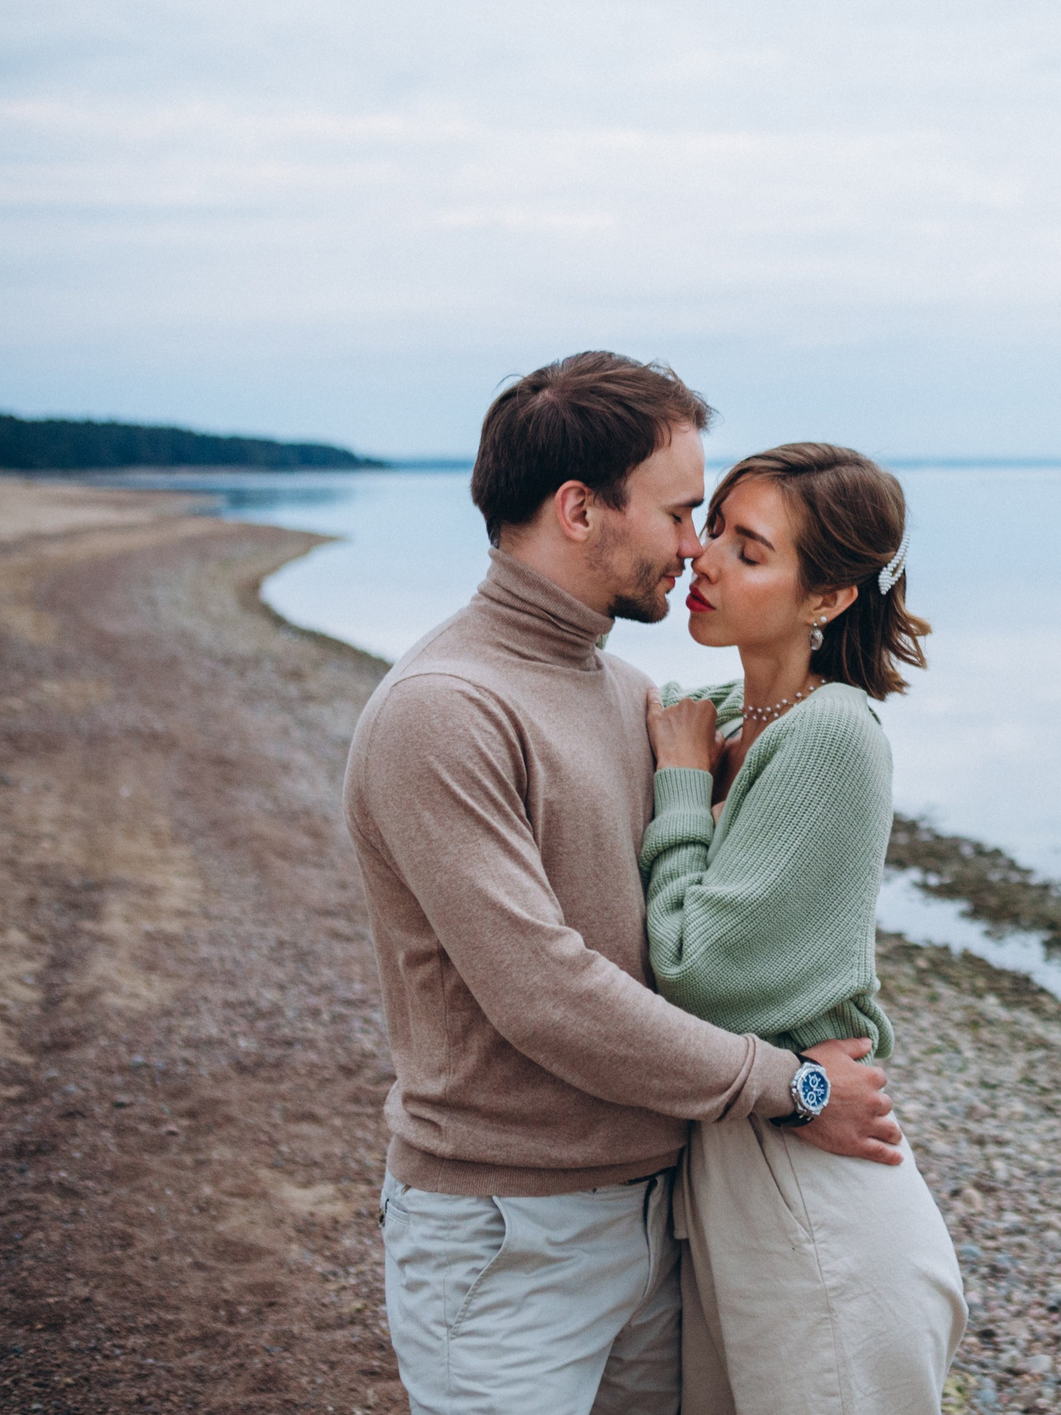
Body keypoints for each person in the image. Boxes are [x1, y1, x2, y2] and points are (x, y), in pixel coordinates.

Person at [344, 353, 902, 1415]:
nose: (695, 549)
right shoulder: (444, 710)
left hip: (663, 1210)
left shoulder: (634, 691)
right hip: (510, 1234)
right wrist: (796, 1088)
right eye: (684, 512)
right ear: (580, 511)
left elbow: (732, 873)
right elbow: (546, 993)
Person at [643, 442, 966, 1414]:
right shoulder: (723, 714)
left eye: (749, 551)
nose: (703, 560)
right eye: (711, 532)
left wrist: (680, 786)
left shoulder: (833, 731)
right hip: (753, 1157)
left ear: (826, 598)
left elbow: (694, 971)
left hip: (814, 1186)